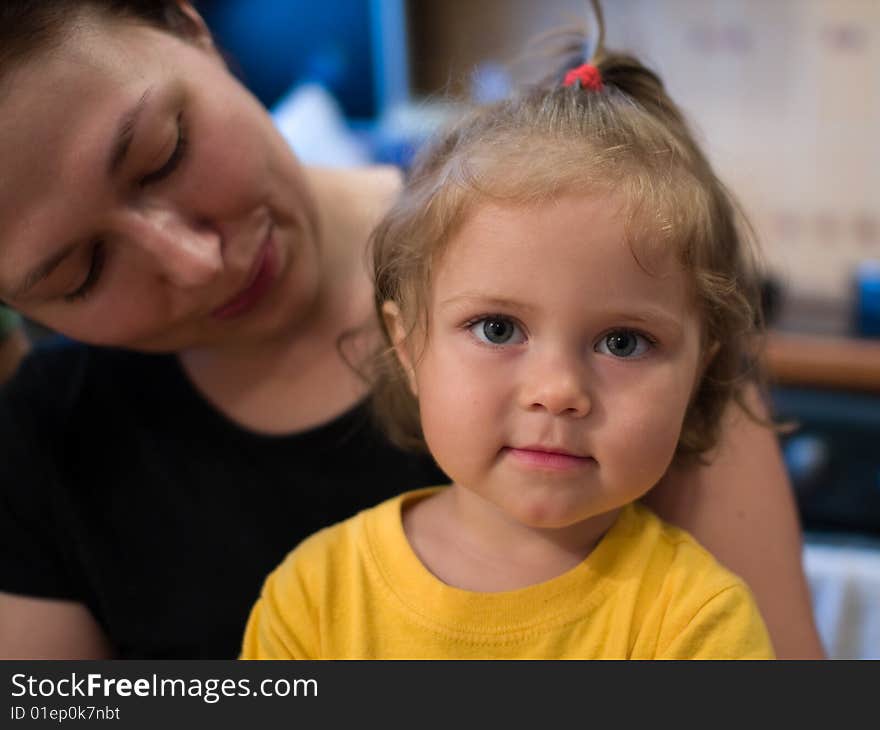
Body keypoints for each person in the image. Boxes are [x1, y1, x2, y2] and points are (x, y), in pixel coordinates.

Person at [0, 0, 822, 659]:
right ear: (405, 342)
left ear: (191, 29)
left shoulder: (628, 264)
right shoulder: (54, 440)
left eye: (164, 152)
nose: (195, 262)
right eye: (81, 271)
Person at [239, 23, 778, 659]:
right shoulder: (314, 599)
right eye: (498, 329)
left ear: (697, 373)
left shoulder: (699, 626)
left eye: (624, 343)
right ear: (408, 346)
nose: (558, 392)